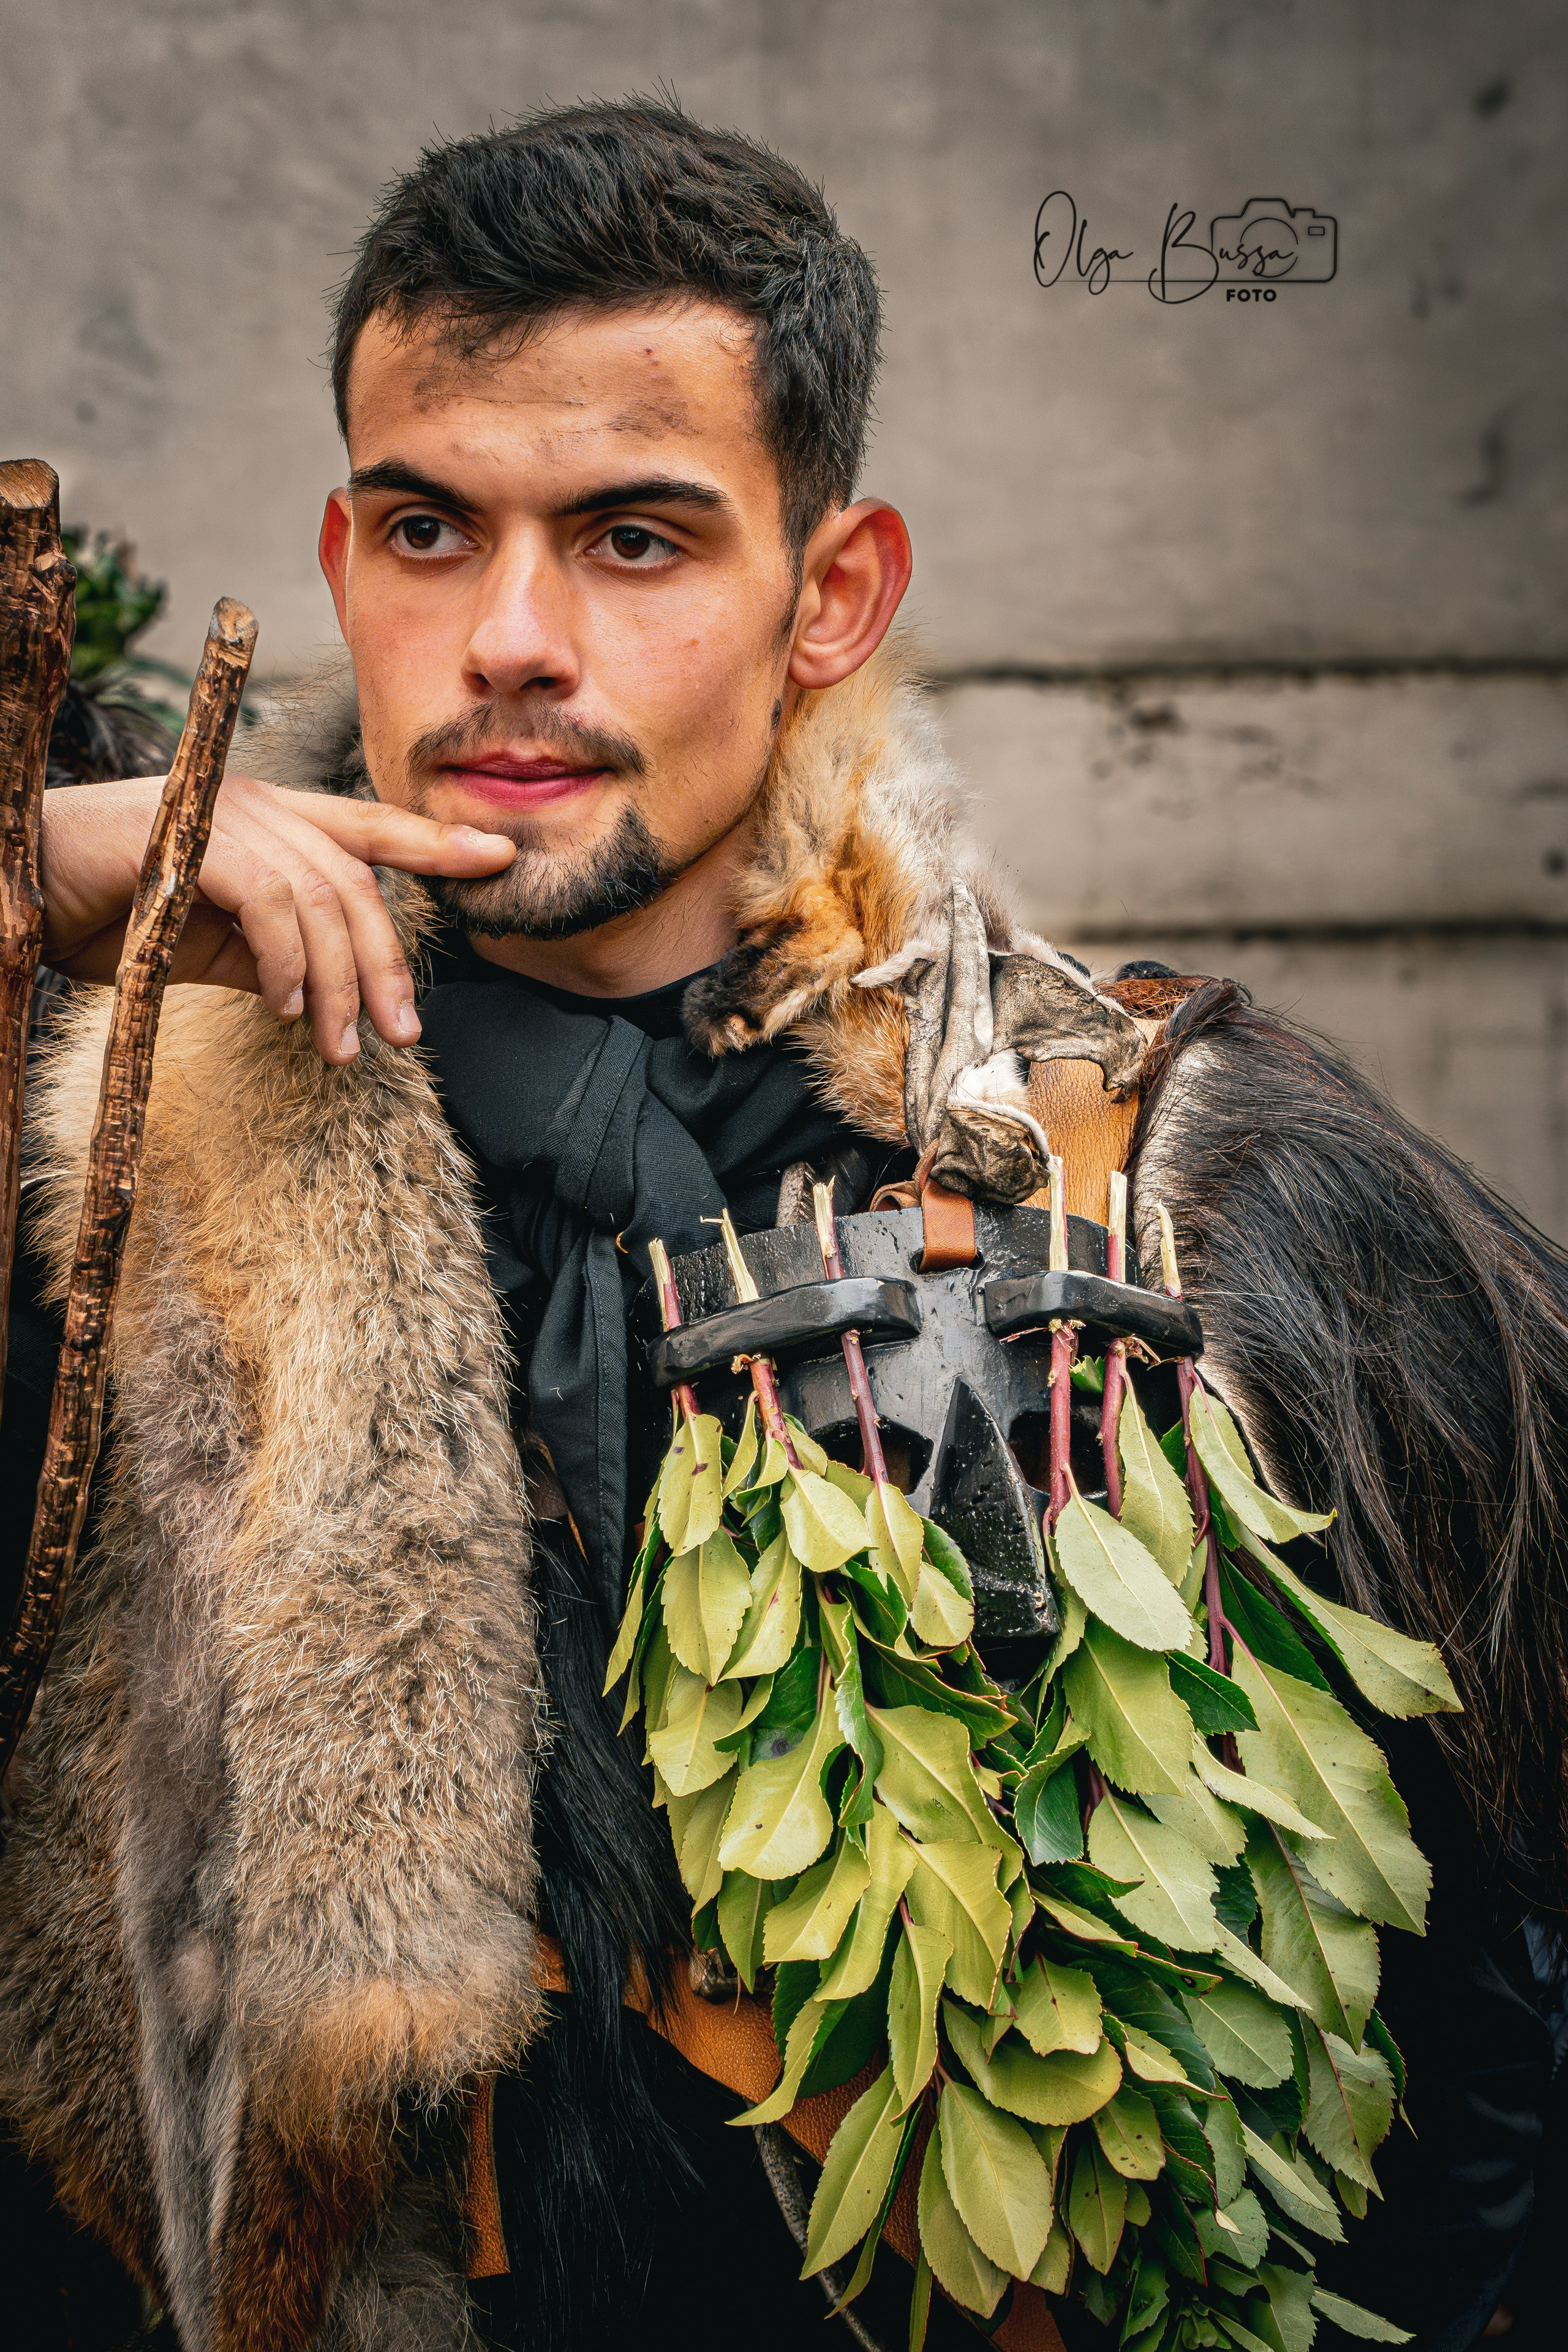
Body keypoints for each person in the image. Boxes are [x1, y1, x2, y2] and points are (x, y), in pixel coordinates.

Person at [2, 99, 1565, 2352]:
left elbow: (1480, 2038)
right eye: (433, 528)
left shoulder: (1166, 1182)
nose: (512, 638)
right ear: (342, 560)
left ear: (831, 595)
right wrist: (44, 883)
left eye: (635, 541)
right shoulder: (101, 1147)